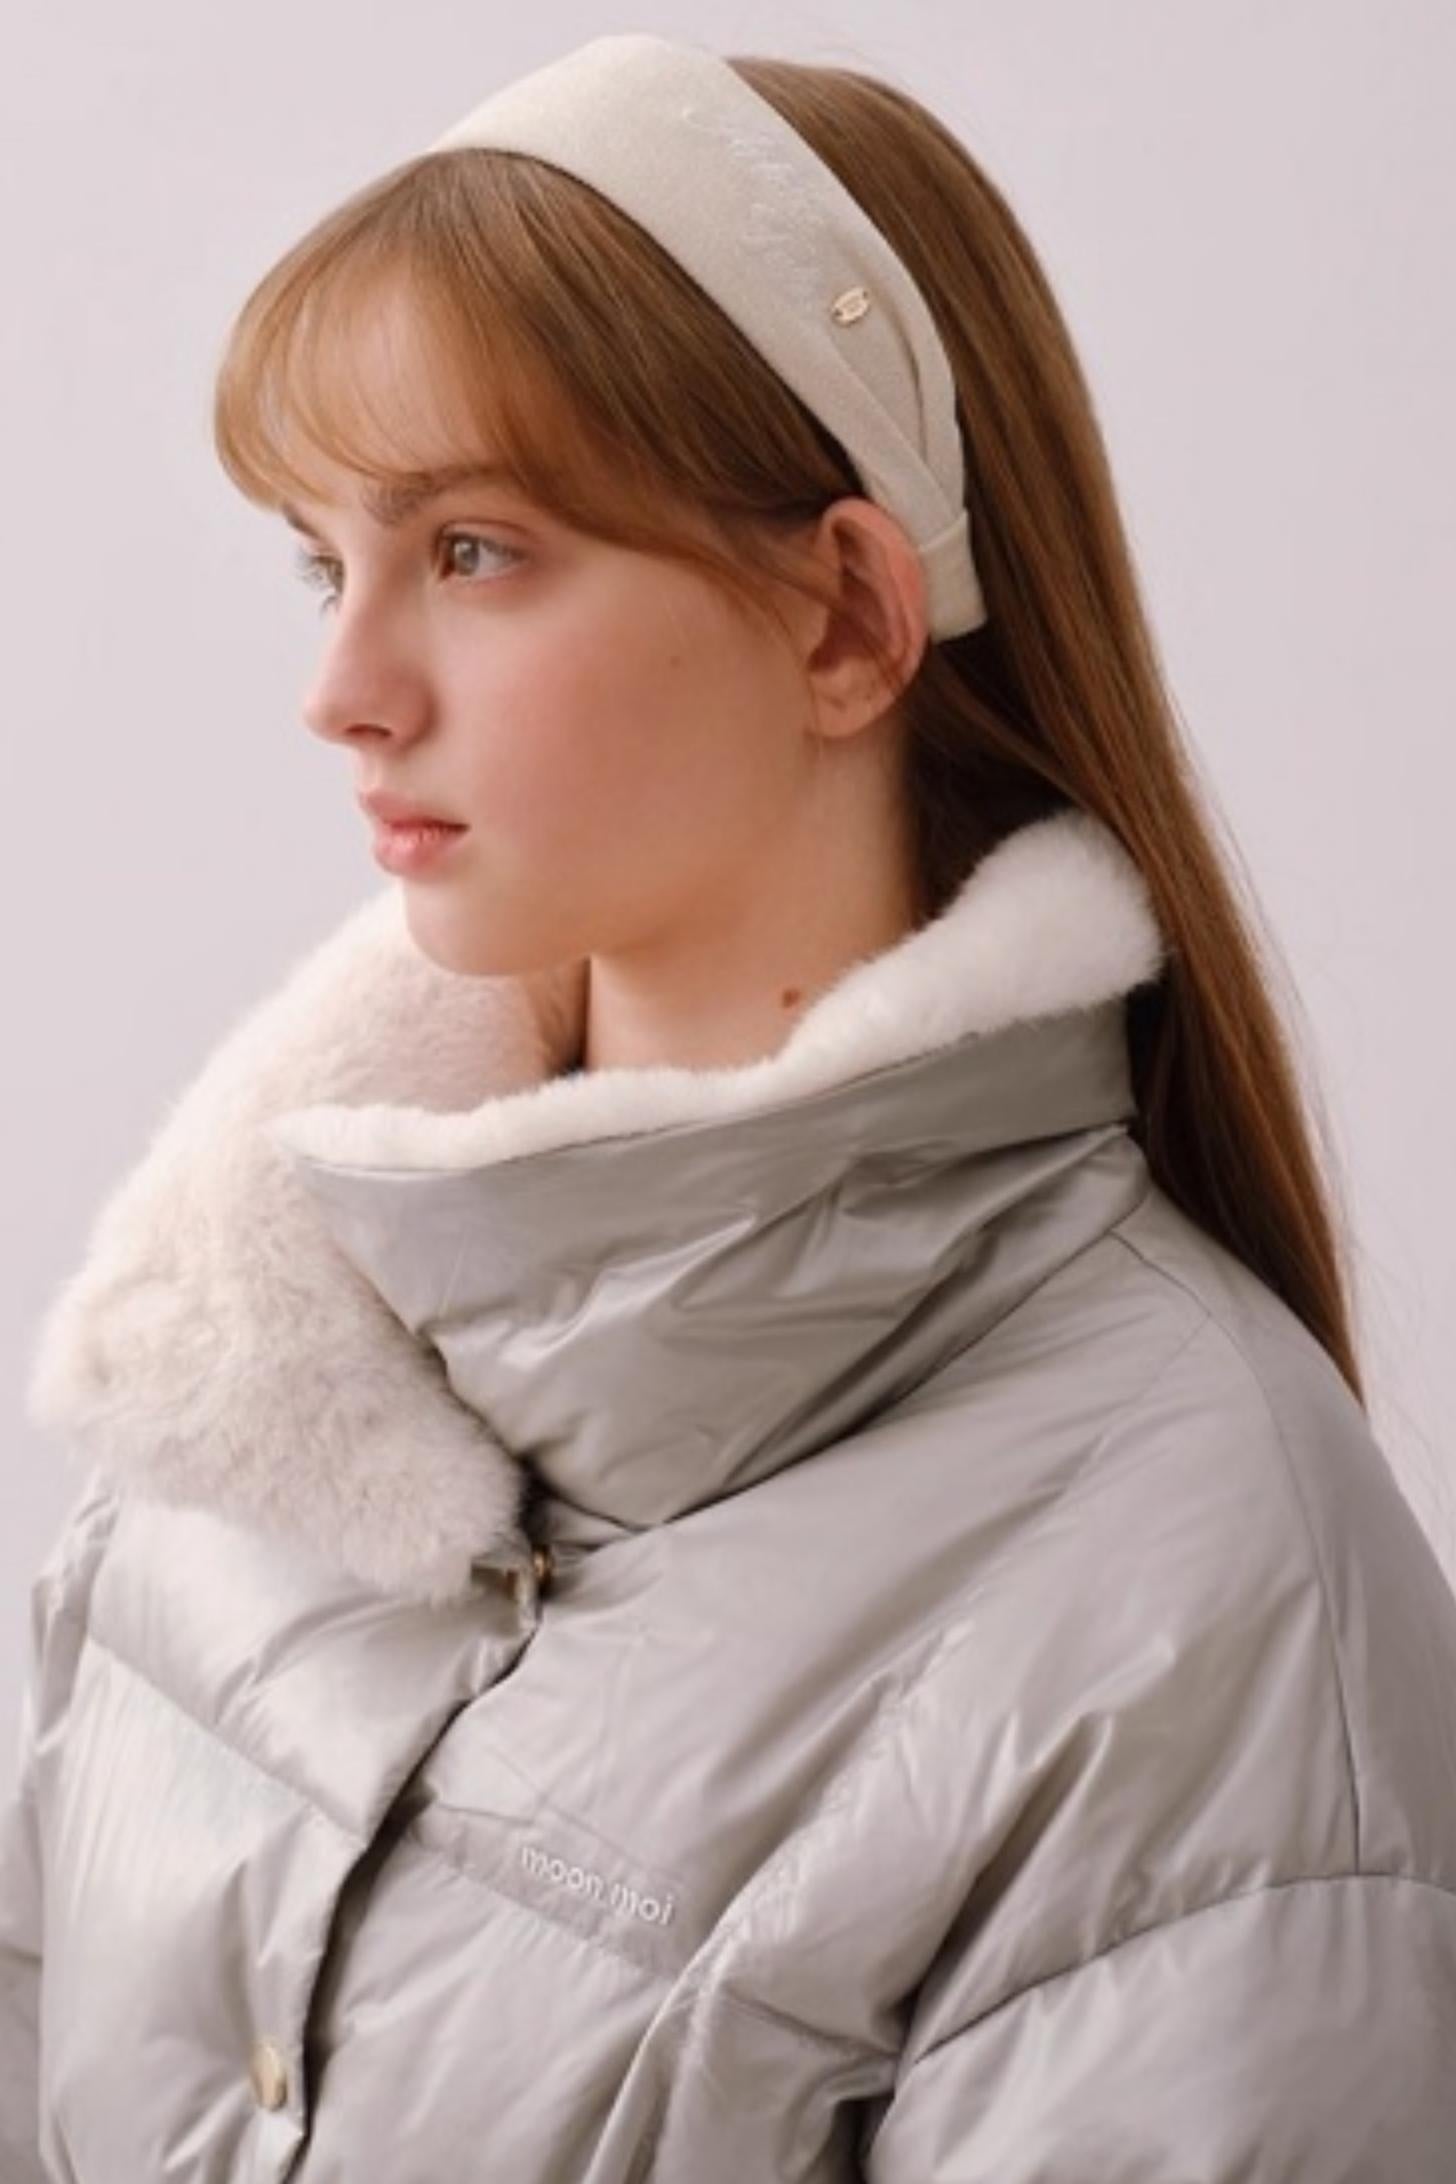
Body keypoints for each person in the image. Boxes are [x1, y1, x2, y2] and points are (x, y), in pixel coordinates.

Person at [3, 28, 1453, 2182]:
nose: (342, 691)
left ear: (848, 617)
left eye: (473, 550)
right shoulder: (255, 1380)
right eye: (326, 563)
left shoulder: (1201, 1597)